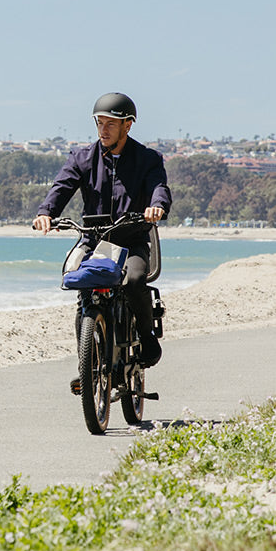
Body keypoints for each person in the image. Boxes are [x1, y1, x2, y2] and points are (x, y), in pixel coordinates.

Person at [32, 92, 172, 383]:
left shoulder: (147, 159)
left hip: (131, 240)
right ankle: (88, 364)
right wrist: (46, 212)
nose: (103, 130)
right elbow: (62, 186)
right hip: (96, 243)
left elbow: (159, 186)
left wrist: (156, 206)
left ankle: (147, 339)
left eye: (111, 124)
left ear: (127, 126)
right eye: (100, 123)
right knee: (78, 282)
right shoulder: (82, 158)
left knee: (134, 280)